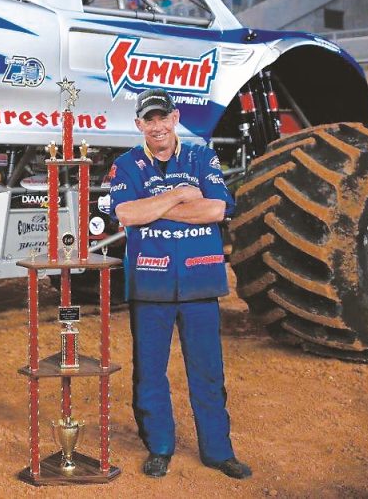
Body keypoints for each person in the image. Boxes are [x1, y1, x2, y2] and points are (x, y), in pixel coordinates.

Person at [108, 89, 252, 481]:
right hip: (149, 282)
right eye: (148, 120)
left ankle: (218, 452)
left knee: (207, 371)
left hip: (200, 281)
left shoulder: (201, 156)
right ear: (140, 125)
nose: (157, 126)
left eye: (162, 117)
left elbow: (216, 208)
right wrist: (180, 196)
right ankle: (160, 448)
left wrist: (158, 209)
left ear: (175, 118)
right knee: (150, 372)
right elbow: (127, 213)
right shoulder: (126, 164)